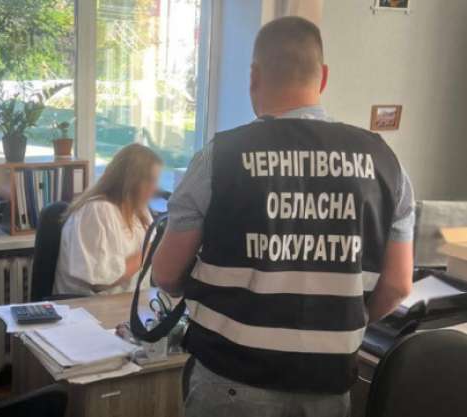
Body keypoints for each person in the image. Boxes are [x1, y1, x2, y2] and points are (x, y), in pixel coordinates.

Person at [152, 17, 414, 417]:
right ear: (323, 77)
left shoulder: (220, 157)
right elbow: (397, 285)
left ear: (254, 77)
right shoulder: (384, 163)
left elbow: (167, 273)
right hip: (327, 388)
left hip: (231, 380)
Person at [53, 143, 162, 296]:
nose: (155, 188)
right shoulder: (97, 210)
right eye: (150, 180)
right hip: (86, 305)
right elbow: (100, 282)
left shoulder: (140, 211)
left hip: (126, 302)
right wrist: (150, 249)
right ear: (132, 181)